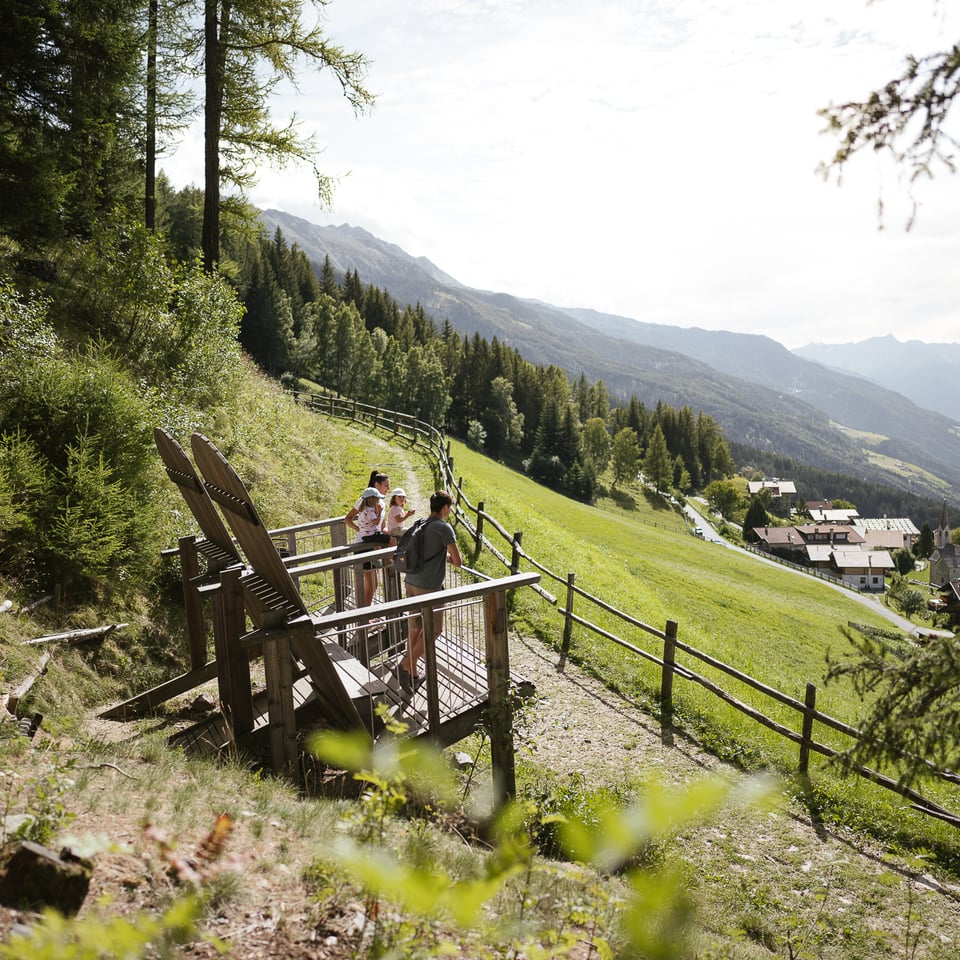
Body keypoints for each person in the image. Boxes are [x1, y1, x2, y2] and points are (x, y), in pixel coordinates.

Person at [399, 489, 462, 692]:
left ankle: (413, 673)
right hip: (428, 587)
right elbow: (458, 562)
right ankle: (406, 665)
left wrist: (442, 556)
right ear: (445, 508)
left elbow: (427, 552)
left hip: (410, 581)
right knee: (434, 630)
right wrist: (450, 558)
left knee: (415, 628)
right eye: (449, 508)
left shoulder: (422, 523)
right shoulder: (444, 528)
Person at [344, 479, 392, 606]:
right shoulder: (368, 506)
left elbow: (380, 525)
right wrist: (357, 528)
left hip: (371, 547)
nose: (388, 488)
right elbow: (348, 518)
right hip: (364, 548)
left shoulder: (374, 505)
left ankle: (365, 617)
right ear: (377, 486)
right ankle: (364, 619)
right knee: (371, 585)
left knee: (373, 585)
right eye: (386, 486)